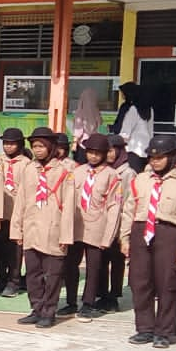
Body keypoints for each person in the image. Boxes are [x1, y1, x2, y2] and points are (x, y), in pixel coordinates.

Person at [121, 134, 176, 348]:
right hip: (141, 230)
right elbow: (129, 209)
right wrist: (124, 237)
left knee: (168, 284)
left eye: (160, 157)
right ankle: (144, 328)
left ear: (173, 157)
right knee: (140, 282)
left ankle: (163, 331)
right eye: (152, 157)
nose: (154, 161)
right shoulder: (140, 180)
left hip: (169, 232)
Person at [10, 127, 76, 329]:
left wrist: (66, 235)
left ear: (51, 147)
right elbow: (20, 200)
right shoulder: (29, 169)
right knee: (33, 273)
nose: (38, 150)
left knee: (53, 275)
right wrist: (16, 229)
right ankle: (36, 308)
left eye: (42, 146)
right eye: (35, 146)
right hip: (31, 229)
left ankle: (49, 311)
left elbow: (69, 205)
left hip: (53, 229)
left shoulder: (64, 172)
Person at [66, 134, 124, 320]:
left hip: (98, 226)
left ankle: (89, 303)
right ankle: (70, 301)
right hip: (76, 226)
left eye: (98, 153)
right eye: (90, 152)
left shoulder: (112, 176)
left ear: (105, 154)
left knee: (94, 267)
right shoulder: (77, 172)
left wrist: (109, 236)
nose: (93, 157)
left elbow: (115, 207)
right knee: (70, 265)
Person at [0, 127, 30, 297]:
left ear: (20, 144)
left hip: (17, 213)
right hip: (0, 213)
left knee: (15, 250)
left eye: (12, 143)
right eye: (5, 143)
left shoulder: (26, 164)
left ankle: (13, 281)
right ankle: (0, 279)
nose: (8, 147)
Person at [100, 134, 135, 311]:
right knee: (101, 260)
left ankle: (113, 295)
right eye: (107, 150)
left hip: (120, 222)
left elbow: (130, 201)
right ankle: (102, 293)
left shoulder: (128, 173)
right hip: (101, 223)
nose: (109, 154)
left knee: (117, 260)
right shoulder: (102, 170)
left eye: (113, 150)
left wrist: (125, 231)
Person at [111, 82, 153, 172]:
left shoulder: (133, 109)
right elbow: (150, 130)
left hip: (132, 150)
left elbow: (125, 132)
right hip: (145, 150)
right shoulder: (149, 109)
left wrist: (116, 142)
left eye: (123, 94)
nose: (122, 96)